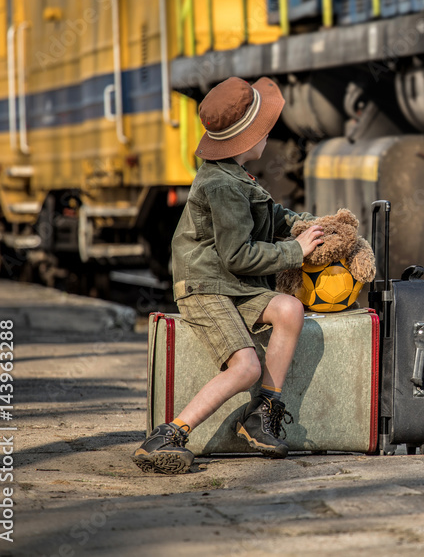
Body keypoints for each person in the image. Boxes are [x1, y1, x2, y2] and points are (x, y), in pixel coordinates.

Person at [133, 76, 323, 475]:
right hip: (206, 287)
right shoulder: (221, 185)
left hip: (233, 284)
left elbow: (273, 218)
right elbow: (237, 255)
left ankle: (259, 415)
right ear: (248, 138)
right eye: (264, 128)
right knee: (246, 367)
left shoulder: (238, 177)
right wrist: (295, 252)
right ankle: (167, 435)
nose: (268, 134)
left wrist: (306, 227)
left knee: (289, 309)